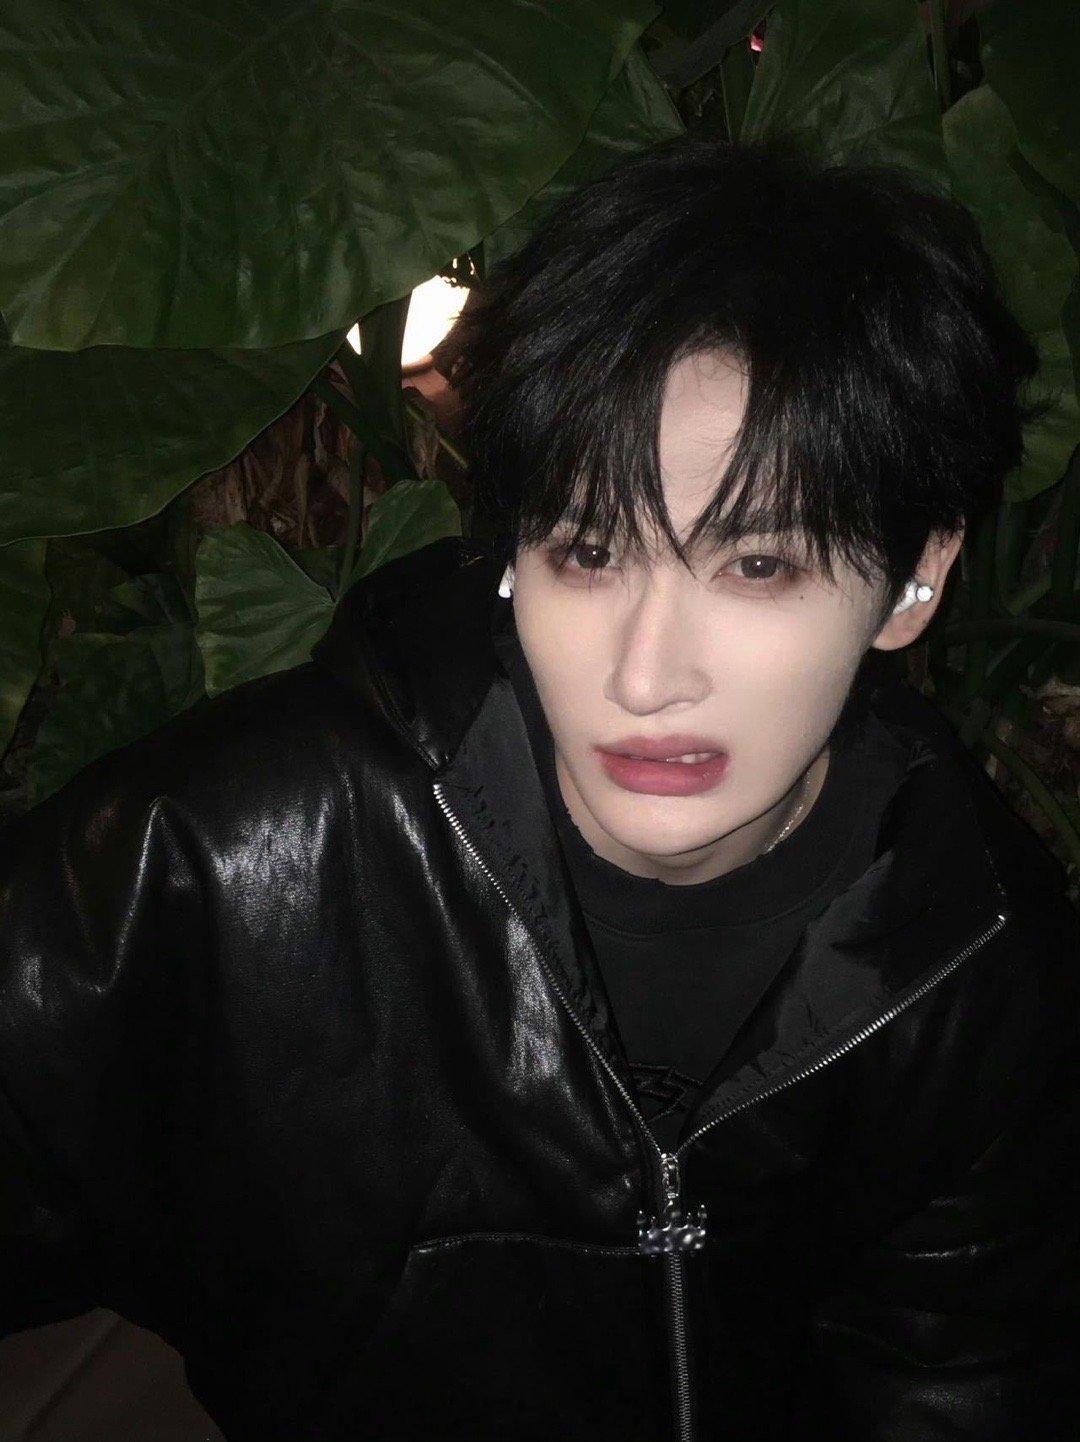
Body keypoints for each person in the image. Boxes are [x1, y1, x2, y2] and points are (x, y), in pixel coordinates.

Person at [2, 134, 1078, 1442]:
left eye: (758, 567)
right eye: (588, 550)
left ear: (916, 579)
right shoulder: (231, 848)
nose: (646, 675)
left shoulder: (978, 951)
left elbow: (960, 1376)